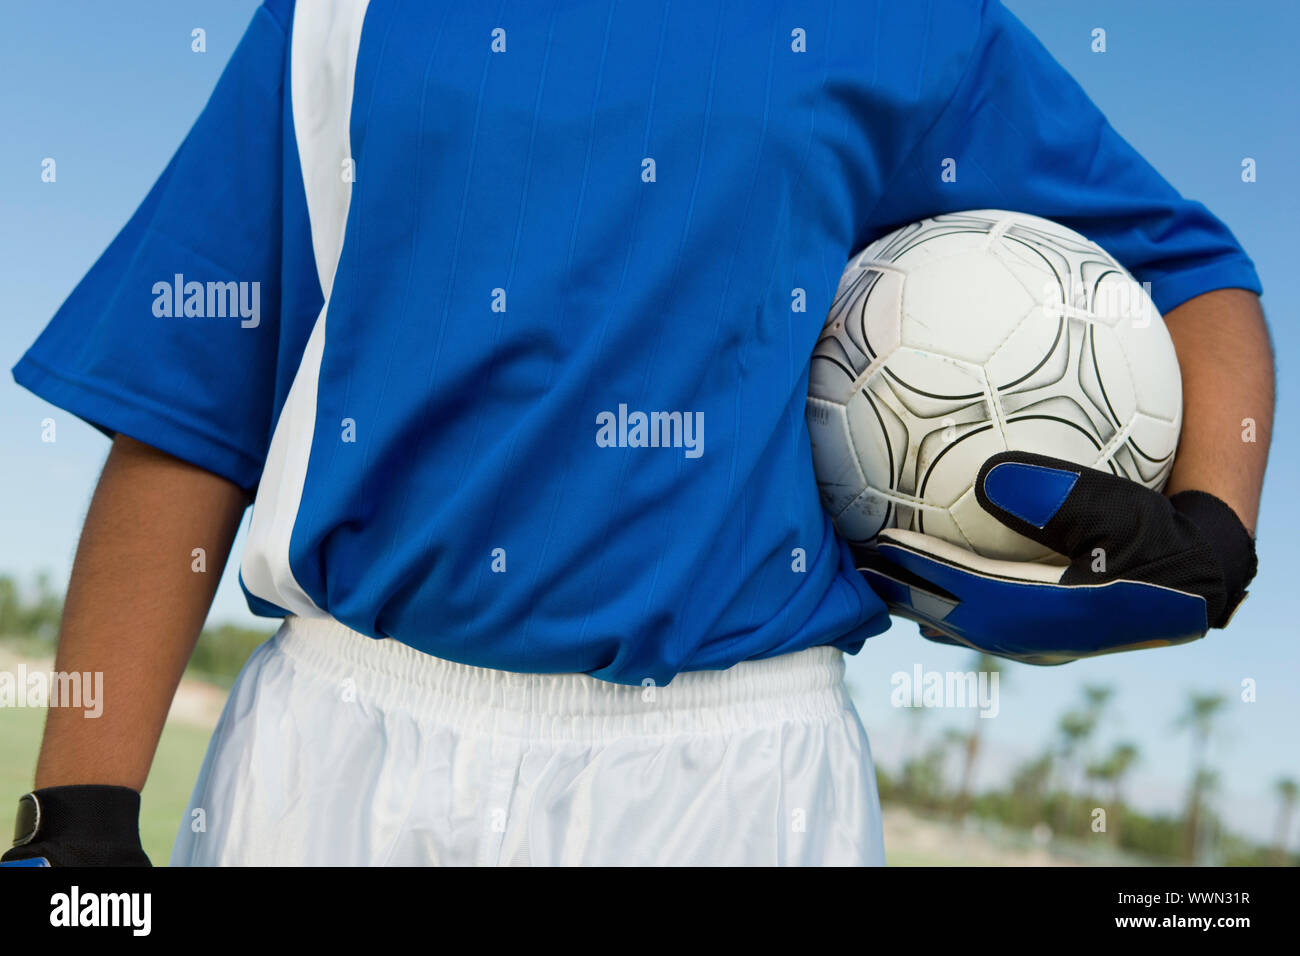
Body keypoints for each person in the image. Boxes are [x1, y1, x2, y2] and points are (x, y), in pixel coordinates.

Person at [4, 0, 1271, 867]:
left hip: (734, 773)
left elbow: (1188, 266)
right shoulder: (341, 11)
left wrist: (1212, 516)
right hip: (335, 747)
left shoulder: (914, 21)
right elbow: (192, 400)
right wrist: (80, 811)